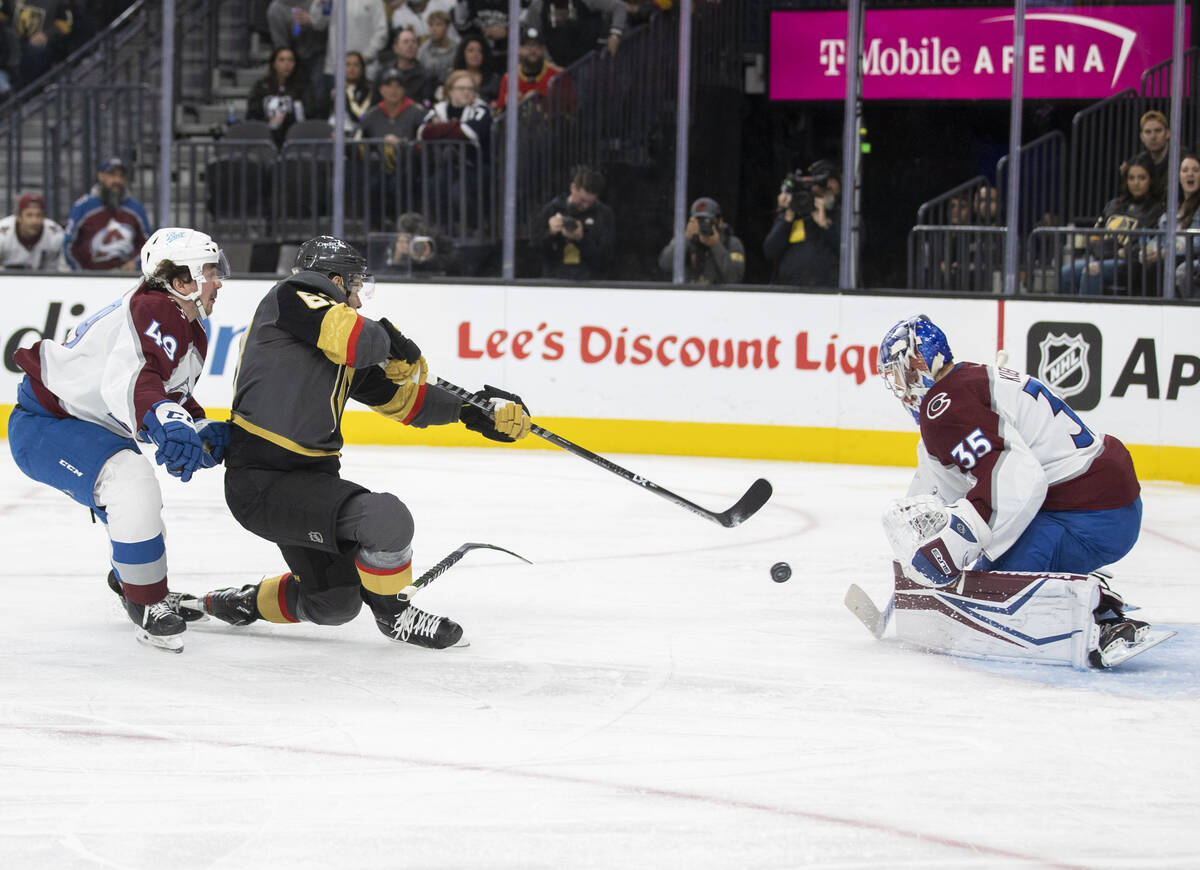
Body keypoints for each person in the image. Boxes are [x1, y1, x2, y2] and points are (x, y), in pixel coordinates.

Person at [189, 236, 531, 649]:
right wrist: (389, 344)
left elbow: (409, 402)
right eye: (355, 288)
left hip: (306, 484)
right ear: (333, 281)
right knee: (385, 519)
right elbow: (360, 339)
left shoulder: (335, 341)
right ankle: (396, 615)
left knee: (333, 604)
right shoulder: (292, 297)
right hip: (263, 481)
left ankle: (239, 603)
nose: (359, 301)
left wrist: (472, 411)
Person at [876, 314, 1156, 668]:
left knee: (995, 588)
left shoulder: (944, 404)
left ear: (919, 362)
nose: (900, 388)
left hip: (1089, 515)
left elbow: (1016, 477)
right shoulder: (963, 384)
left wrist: (961, 535)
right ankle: (1080, 585)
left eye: (900, 374)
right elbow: (940, 483)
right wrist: (925, 543)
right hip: (1101, 501)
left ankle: (1102, 616)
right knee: (986, 567)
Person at [7, 228, 231, 652]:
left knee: (141, 512)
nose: (218, 281)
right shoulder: (155, 308)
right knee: (131, 482)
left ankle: (139, 584)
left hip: (83, 425)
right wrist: (171, 424)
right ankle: (147, 603)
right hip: (48, 423)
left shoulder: (189, 327)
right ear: (181, 281)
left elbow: (166, 395)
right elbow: (137, 380)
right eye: (209, 271)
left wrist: (198, 429)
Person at [1059, 154, 1163, 295]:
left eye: (1142, 178)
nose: (1136, 183)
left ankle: (1089, 315)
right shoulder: (1113, 205)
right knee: (1066, 272)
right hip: (1103, 256)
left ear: (1151, 180)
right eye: (1131, 178)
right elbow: (1093, 237)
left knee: (1092, 270)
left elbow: (1149, 244)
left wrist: (1122, 251)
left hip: (1128, 264)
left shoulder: (1157, 210)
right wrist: (1113, 250)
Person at [417, 69, 493, 222]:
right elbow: (423, 132)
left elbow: (469, 133)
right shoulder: (438, 109)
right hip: (446, 166)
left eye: (470, 89)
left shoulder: (481, 109)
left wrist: (442, 128)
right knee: (433, 185)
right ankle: (443, 229)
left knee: (458, 192)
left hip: (475, 166)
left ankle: (473, 227)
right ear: (450, 91)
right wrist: (455, 125)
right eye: (461, 89)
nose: (466, 93)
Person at [63, 156, 152, 272]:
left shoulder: (135, 207)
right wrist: (81, 273)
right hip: (90, 279)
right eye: (112, 175)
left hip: (126, 278)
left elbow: (148, 244)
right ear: (101, 176)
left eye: (121, 176)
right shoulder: (83, 206)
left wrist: (136, 264)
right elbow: (69, 244)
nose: (117, 180)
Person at [763, 159, 840, 288]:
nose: (825, 188)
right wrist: (786, 218)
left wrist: (826, 225)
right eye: (819, 186)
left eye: (830, 182)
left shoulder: (845, 215)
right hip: (791, 293)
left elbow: (853, 251)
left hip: (830, 294)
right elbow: (770, 251)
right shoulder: (794, 213)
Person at [533, 165, 615, 281]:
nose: (585, 206)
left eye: (591, 202)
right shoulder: (551, 210)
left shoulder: (603, 215)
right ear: (573, 187)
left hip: (590, 284)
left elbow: (605, 260)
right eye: (582, 200)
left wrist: (582, 239)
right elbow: (535, 255)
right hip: (554, 283)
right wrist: (550, 233)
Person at [1138, 151, 1200, 297]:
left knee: (1176, 270)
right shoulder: (1172, 208)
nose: (1189, 174)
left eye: (1195, 170)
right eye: (1185, 170)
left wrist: (1167, 252)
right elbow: (1160, 237)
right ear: (1178, 176)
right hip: (1169, 257)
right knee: (1142, 266)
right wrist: (1149, 250)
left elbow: (1196, 243)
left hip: (1192, 258)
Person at [656, 196, 745, 284]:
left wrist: (716, 245)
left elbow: (735, 278)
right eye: (699, 221)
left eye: (708, 221)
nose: (703, 226)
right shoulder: (686, 240)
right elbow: (664, 264)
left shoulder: (731, 243)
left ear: (720, 221)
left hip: (719, 296)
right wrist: (685, 240)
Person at [245, 46, 318, 147]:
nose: (286, 64)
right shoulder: (261, 86)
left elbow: (310, 113)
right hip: (266, 139)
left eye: (290, 60)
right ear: (274, 63)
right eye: (282, 60)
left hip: (296, 140)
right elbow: (252, 115)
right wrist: (268, 123)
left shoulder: (303, 86)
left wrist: (287, 117)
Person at [523, 0, 627, 67]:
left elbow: (619, 6)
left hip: (586, 62)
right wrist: (548, 62)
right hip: (554, 66)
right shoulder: (538, 4)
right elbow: (533, 34)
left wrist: (615, 33)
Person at [309, 0, 389, 84]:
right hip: (334, 68)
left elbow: (381, 32)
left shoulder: (374, 1)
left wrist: (365, 56)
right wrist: (318, 3)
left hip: (365, 70)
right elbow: (317, 24)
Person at [494, 27, 562, 112]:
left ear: (543, 50)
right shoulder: (509, 78)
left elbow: (571, 112)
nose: (532, 50)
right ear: (519, 50)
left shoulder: (557, 75)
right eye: (528, 45)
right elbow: (499, 113)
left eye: (537, 46)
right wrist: (508, 106)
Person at [265, 0, 326, 89]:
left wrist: (312, 21)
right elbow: (281, 45)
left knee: (317, 84)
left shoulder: (317, 2)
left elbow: (331, 28)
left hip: (319, 52)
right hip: (293, 54)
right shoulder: (276, 9)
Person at [0, 191, 64, 270]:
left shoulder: (55, 234)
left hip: (44, 281)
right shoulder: (2, 233)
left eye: (39, 215)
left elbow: (63, 271)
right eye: (29, 215)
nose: (35, 221)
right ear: (18, 217)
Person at [383, 211, 460, 276]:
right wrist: (397, 256)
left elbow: (455, 261)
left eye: (415, 236)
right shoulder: (398, 243)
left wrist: (429, 257)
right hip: (406, 281)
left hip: (435, 278)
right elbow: (386, 271)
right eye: (408, 239)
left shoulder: (433, 238)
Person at [375, 24, 434, 104]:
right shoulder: (383, 73)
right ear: (395, 48)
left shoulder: (427, 76)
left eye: (414, 42)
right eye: (405, 42)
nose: (410, 45)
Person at [1121, 110, 1172, 198]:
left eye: (1158, 130)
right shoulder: (1138, 161)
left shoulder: (1182, 160)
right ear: (1142, 137)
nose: (1153, 137)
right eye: (1148, 132)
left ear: (1168, 133)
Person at [448, 34, 500, 105]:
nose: (475, 54)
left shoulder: (494, 79)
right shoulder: (453, 76)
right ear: (463, 54)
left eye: (480, 51)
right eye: (471, 50)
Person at [333, 50, 374, 135]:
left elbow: (361, 116)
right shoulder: (333, 89)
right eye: (347, 65)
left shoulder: (370, 89)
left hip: (361, 134)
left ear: (362, 69)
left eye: (356, 65)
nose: (351, 69)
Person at [416, 9, 458, 92]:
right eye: (431, 25)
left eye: (438, 25)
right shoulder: (423, 51)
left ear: (447, 27)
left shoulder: (457, 50)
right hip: (427, 90)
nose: (434, 29)